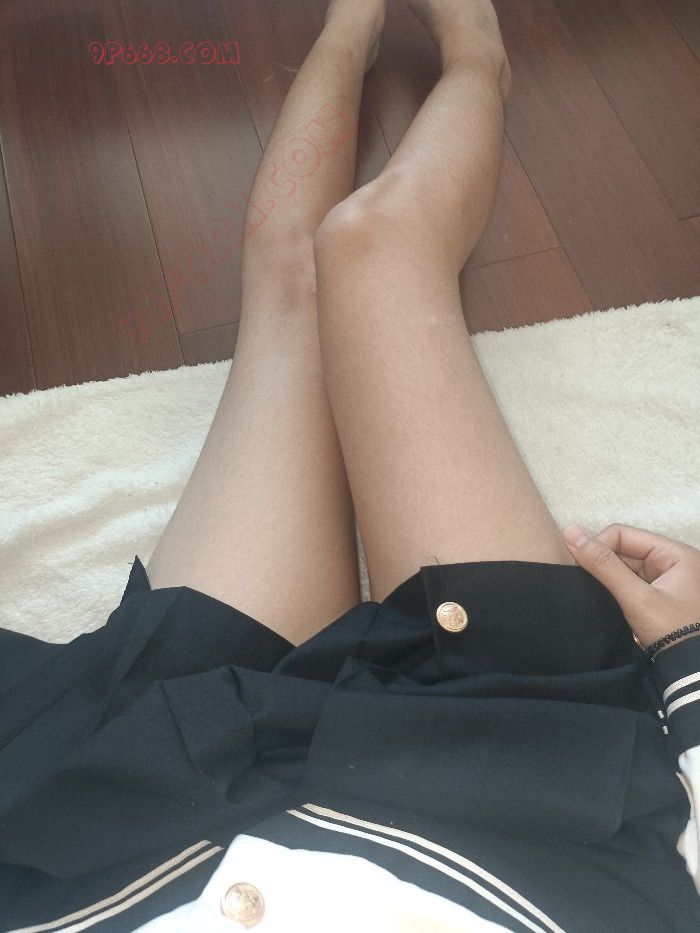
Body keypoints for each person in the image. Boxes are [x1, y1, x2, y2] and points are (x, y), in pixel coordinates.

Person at [1, 0, 699, 930]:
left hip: (148, 815)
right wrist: (691, 666)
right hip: (535, 814)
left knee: (298, 278)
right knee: (375, 243)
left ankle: (347, 29)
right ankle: (473, 56)